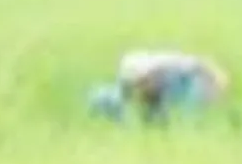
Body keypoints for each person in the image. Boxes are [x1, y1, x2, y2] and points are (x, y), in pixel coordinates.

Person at [87, 49, 230, 125]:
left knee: (167, 118)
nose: (143, 86)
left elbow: (203, 65)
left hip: (170, 86)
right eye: (140, 84)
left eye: (146, 82)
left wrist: (217, 83)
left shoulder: (175, 67)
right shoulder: (129, 75)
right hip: (143, 86)